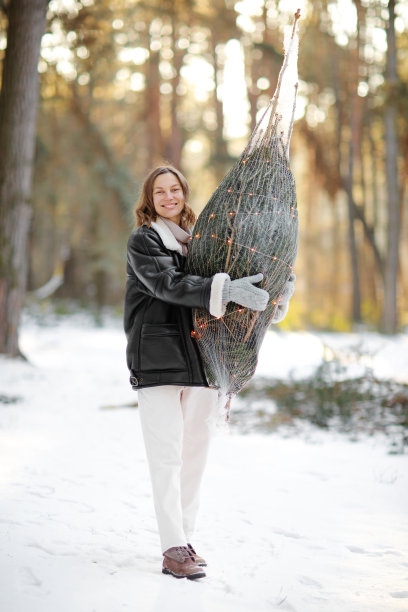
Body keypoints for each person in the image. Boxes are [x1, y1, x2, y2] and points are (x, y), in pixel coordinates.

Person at [123, 164, 291, 580]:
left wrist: (272, 290)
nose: (168, 197)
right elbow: (167, 285)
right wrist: (224, 289)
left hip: (201, 360)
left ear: (184, 193)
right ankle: (171, 548)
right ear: (149, 199)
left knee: (194, 454)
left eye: (174, 189)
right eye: (159, 191)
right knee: (166, 456)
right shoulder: (145, 240)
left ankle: (185, 538)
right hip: (159, 359)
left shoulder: (201, 241)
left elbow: (232, 271)